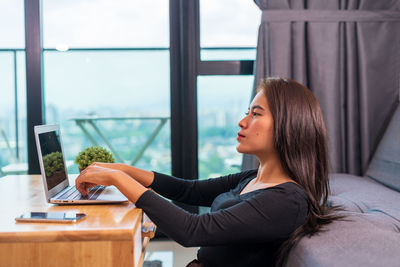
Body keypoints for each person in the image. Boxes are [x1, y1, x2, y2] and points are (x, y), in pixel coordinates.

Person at [76, 77, 342, 267]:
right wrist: (124, 169)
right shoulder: (253, 178)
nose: (243, 121)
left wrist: (118, 179)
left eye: (256, 114)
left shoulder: (286, 200)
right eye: (246, 112)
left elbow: (192, 230)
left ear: (287, 125)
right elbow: (187, 190)